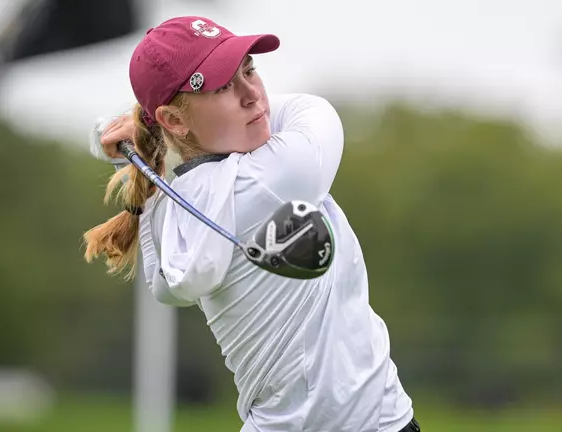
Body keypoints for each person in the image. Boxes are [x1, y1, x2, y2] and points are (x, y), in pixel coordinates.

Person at [83, 16, 419, 432]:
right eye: (223, 87)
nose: (252, 95)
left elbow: (164, 289)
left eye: (249, 70)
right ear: (173, 120)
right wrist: (146, 127)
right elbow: (315, 110)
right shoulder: (279, 174)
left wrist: (153, 128)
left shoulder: (170, 209)